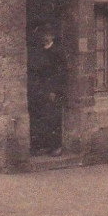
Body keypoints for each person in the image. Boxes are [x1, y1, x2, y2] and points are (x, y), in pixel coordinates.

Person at [27, 24, 67, 155]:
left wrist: (54, 90)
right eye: (43, 35)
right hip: (40, 89)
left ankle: (56, 146)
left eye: (47, 35)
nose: (45, 37)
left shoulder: (57, 51)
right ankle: (44, 145)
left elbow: (61, 73)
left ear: (52, 36)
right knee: (41, 117)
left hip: (52, 90)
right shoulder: (39, 50)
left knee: (53, 117)